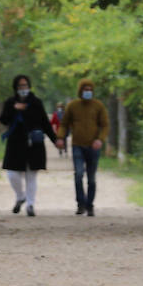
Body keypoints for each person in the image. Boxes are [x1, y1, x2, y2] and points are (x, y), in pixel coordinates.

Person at [0, 74, 58, 216]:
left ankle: (30, 205)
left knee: (31, 175)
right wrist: (14, 109)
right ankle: (21, 196)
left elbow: (45, 123)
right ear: (16, 87)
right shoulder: (10, 102)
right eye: (20, 86)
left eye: (25, 85)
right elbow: (3, 120)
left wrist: (55, 140)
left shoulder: (36, 102)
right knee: (12, 174)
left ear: (29, 86)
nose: (23, 88)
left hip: (33, 144)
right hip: (15, 144)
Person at [56, 78, 109, 216]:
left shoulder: (98, 106)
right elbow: (64, 124)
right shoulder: (73, 106)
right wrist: (60, 137)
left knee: (91, 178)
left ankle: (90, 205)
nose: (88, 92)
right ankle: (81, 203)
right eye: (86, 90)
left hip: (93, 146)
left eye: (90, 90)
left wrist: (100, 140)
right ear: (81, 91)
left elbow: (105, 125)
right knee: (78, 174)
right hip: (77, 145)